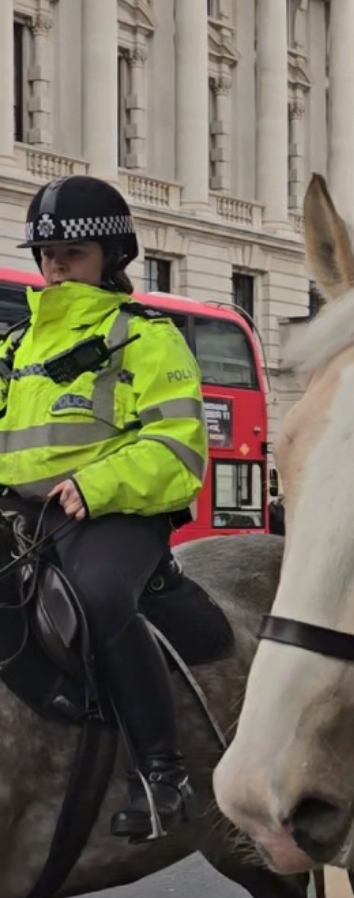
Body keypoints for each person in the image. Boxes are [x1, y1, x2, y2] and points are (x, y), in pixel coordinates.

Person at [0, 176, 208, 842]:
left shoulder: (146, 337)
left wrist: (96, 485)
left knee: (95, 598)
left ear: (110, 256)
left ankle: (161, 774)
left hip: (111, 513)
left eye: (72, 255)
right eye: (48, 255)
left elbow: (177, 445)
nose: (56, 268)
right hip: (21, 511)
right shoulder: (15, 347)